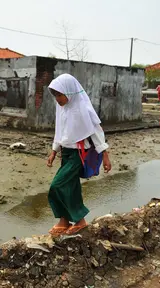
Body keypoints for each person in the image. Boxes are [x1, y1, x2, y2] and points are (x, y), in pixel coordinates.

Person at [46, 74, 111, 236]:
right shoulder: (62, 109)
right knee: (71, 188)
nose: (57, 99)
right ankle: (67, 221)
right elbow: (59, 132)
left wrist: (105, 155)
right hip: (66, 153)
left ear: (69, 92)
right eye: (55, 95)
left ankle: (75, 219)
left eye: (60, 95)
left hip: (78, 155)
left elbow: (96, 132)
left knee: (57, 186)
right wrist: (54, 151)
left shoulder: (84, 109)